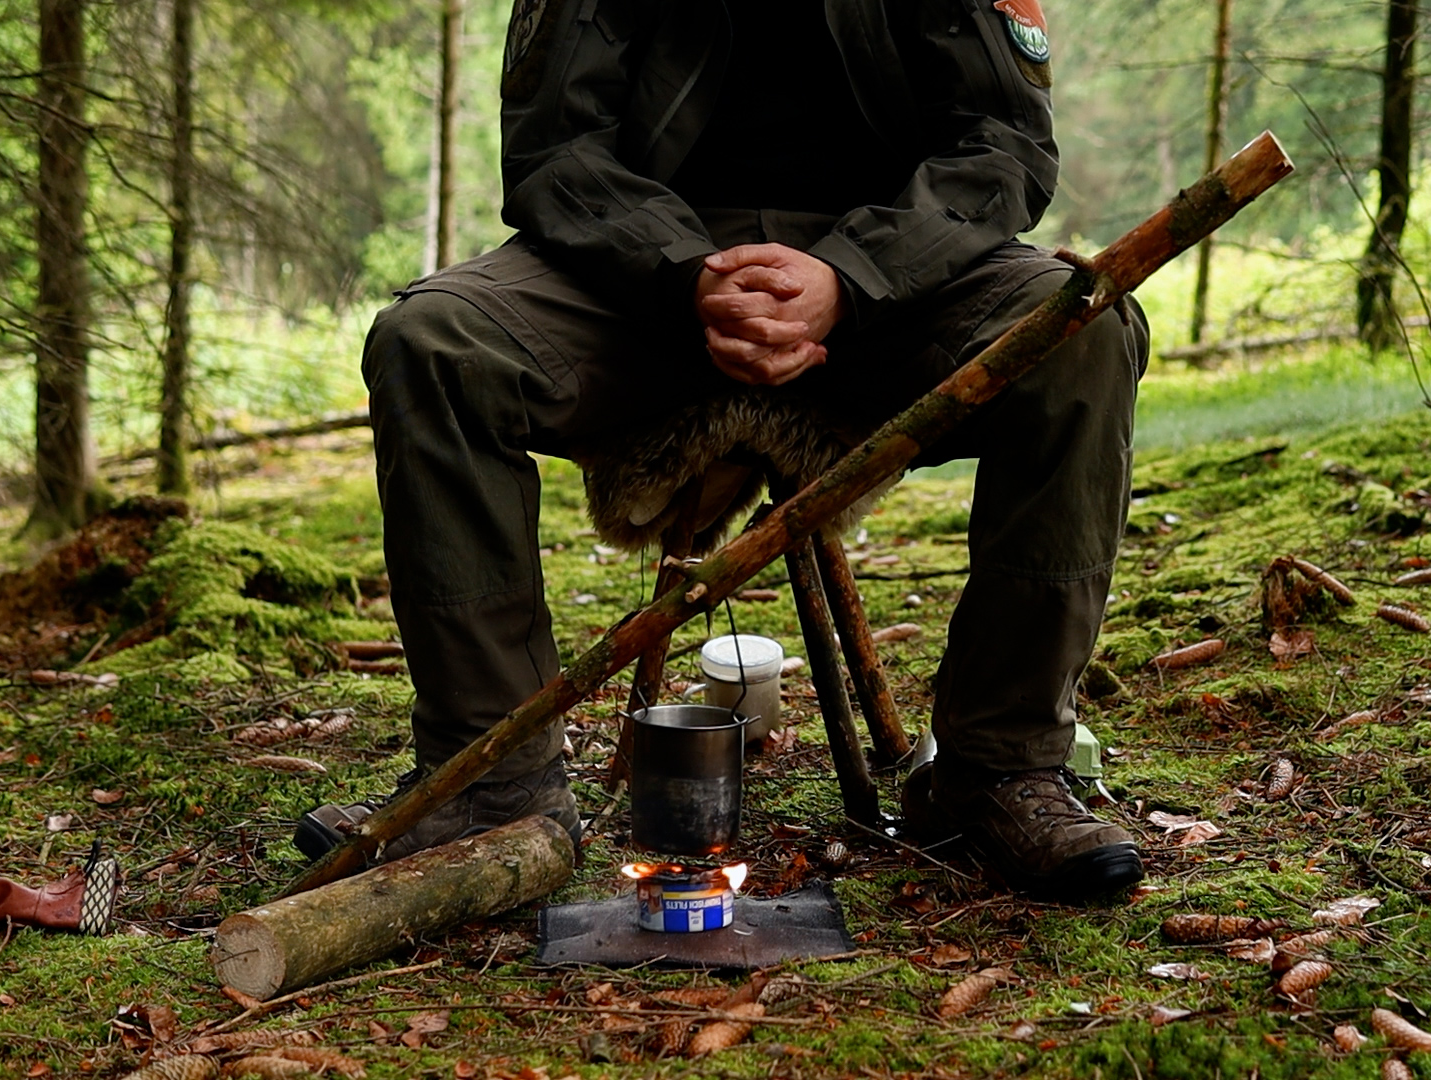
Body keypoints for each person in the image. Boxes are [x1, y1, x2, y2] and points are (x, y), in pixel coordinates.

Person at [298, 0, 1149, 902]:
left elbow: (1003, 146)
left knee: (1082, 333)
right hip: (636, 288)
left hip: (901, 284)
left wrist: (851, 277)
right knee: (430, 342)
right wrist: (683, 274)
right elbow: (554, 150)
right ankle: (489, 784)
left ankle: (998, 767)